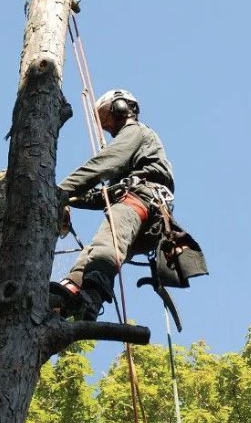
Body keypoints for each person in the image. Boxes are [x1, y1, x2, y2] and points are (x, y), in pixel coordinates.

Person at [50, 88, 175, 321]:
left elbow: (105, 163)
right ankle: (69, 294)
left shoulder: (135, 131)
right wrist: (68, 199)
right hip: (142, 217)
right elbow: (104, 196)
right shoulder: (131, 167)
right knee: (94, 251)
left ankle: (92, 297)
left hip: (142, 201)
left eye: (108, 116)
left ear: (124, 108)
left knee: (106, 245)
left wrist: (57, 192)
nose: (108, 127)